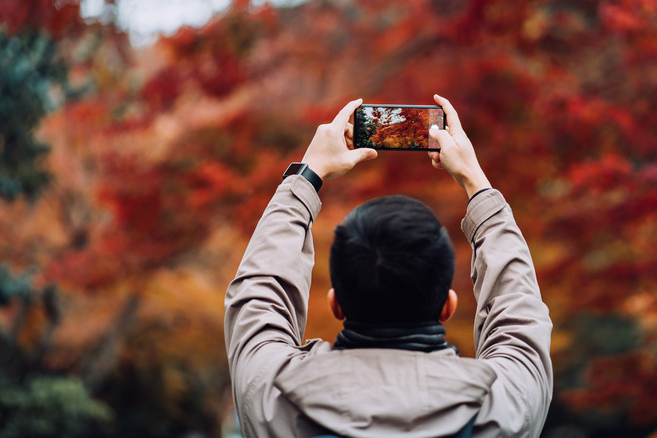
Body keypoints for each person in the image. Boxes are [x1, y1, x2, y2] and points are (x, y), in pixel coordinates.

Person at [224, 95, 553, 437]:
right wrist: (475, 179)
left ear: (335, 303)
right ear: (447, 306)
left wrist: (308, 175)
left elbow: (259, 292)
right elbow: (519, 309)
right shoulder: (505, 408)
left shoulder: (271, 396)